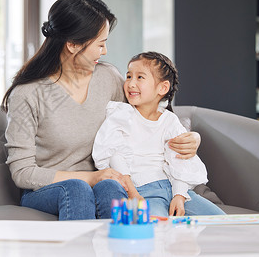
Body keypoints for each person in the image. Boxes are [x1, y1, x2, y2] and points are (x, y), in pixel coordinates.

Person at [1, 0, 202, 220]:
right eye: (101, 44)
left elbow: (144, 120)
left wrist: (191, 139)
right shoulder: (28, 93)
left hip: (103, 181)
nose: (105, 51)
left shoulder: (108, 77)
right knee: (77, 188)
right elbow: (22, 173)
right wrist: (90, 178)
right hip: (49, 190)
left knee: (110, 188)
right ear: (73, 44)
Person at [92, 51, 226, 217]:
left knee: (220, 221)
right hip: (143, 192)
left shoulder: (169, 120)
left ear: (162, 88)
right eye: (128, 76)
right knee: (159, 231)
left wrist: (179, 196)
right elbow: (114, 156)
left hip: (174, 189)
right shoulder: (121, 114)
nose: (131, 83)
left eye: (140, 77)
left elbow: (180, 161)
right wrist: (133, 194)